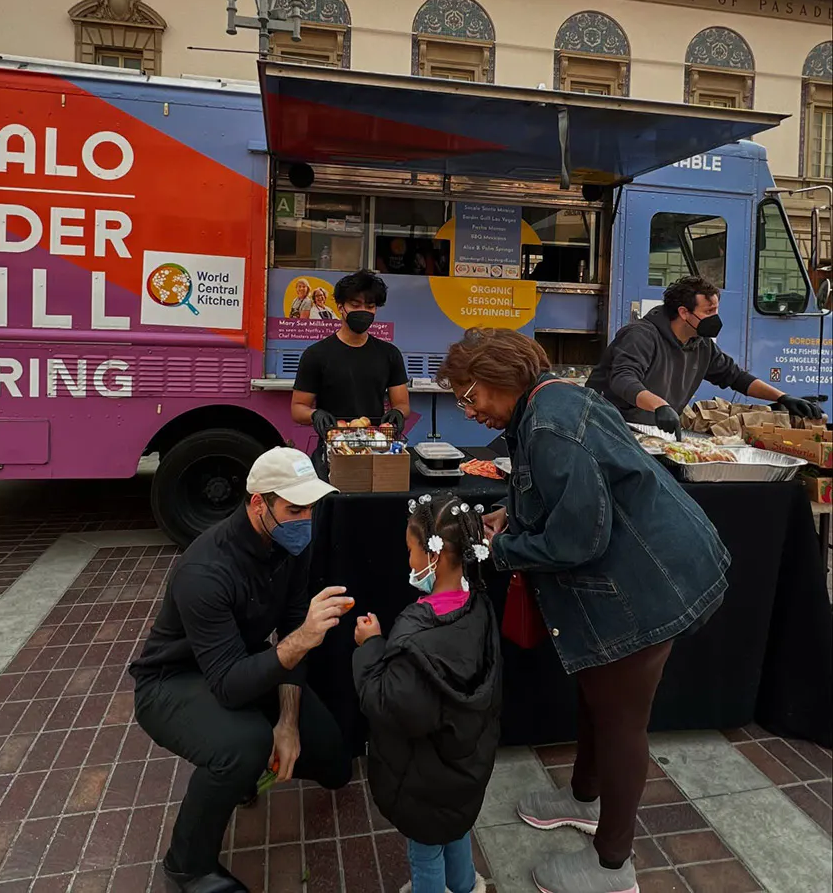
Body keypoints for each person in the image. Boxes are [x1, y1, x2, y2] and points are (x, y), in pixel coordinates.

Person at [438, 328, 730, 893]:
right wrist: (512, 515)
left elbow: (577, 539)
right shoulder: (552, 400)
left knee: (621, 722)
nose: (468, 411)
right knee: (599, 697)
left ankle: (613, 867)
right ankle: (584, 798)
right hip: (647, 568)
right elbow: (569, 491)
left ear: (502, 378)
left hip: (646, 583)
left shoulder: (548, 424)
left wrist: (501, 549)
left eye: (469, 396)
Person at [130, 447, 353, 893]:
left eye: (311, 507)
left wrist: (288, 723)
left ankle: (246, 772)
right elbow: (233, 684)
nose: (306, 519)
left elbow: (292, 625)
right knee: (244, 744)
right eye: (294, 509)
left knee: (335, 765)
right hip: (172, 681)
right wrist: (302, 640)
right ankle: (187, 866)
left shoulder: (291, 543)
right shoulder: (205, 571)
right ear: (257, 504)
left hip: (241, 662)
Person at [352, 493, 501, 893]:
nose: (409, 561)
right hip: (465, 768)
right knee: (455, 828)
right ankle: (465, 885)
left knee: (426, 850)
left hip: (426, 781)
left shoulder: (418, 637)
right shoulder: (480, 606)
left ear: (433, 556)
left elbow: (388, 703)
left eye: (411, 551)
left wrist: (371, 645)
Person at [586, 275, 823, 437]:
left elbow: (735, 377)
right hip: (608, 428)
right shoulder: (641, 335)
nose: (715, 318)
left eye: (716, 310)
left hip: (653, 433)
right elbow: (623, 379)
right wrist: (660, 406)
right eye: (709, 311)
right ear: (684, 312)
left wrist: (783, 397)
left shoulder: (701, 345)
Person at [291, 269, 411, 476]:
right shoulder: (316, 355)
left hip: (377, 450)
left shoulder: (390, 354)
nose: (363, 311)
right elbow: (297, 408)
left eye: (370, 306)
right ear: (340, 307)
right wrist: (315, 415)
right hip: (334, 450)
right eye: (355, 305)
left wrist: (398, 413)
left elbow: (402, 404)